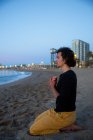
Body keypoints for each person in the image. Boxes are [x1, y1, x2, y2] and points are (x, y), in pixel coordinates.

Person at [29, 47, 81, 136]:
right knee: (37, 119)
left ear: (65, 60)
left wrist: (52, 87)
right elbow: (61, 95)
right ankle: (65, 124)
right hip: (58, 111)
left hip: (65, 115)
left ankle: (65, 127)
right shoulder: (64, 75)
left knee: (33, 130)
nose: (55, 60)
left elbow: (61, 100)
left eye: (58, 57)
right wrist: (54, 85)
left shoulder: (68, 76)